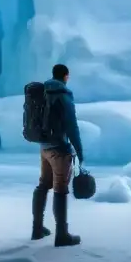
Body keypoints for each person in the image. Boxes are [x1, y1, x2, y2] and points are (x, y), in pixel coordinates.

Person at [32, 63, 82, 247]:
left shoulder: (43, 92)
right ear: (66, 76)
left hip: (44, 147)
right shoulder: (63, 95)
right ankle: (62, 235)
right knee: (60, 189)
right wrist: (79, 151)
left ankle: (37, 228)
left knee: (43, 185)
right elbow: (72, 126)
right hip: (59, 149)